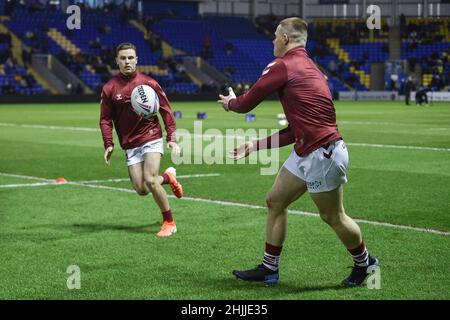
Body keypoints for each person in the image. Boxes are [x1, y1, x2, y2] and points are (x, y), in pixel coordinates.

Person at [217, 17, 378, 287]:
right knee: (275, 201)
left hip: (322, 153)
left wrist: (231, 103)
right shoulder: (312, 68)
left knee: (333, 216)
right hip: (309, 149)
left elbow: (246, 104)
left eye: (275, 36)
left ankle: (366, 264)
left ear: (285, 39)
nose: (272, 41)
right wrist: (254, 146)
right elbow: (294, 130)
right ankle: (269, 269)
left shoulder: (283, 65)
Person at [100, 42, 183, 237]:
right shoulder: (110, 88)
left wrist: (171, 137)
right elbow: (105, 119)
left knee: (149, 179)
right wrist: (108, 143)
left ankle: (169, 222)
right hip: (130, 144)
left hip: (151, 136)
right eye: (123, 58)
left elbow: (167, 111)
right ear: (117, 61)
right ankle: (168, 177)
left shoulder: (149, 83)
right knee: (141, 189)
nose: (127, 61)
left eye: (130, 57)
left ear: (137, 60)